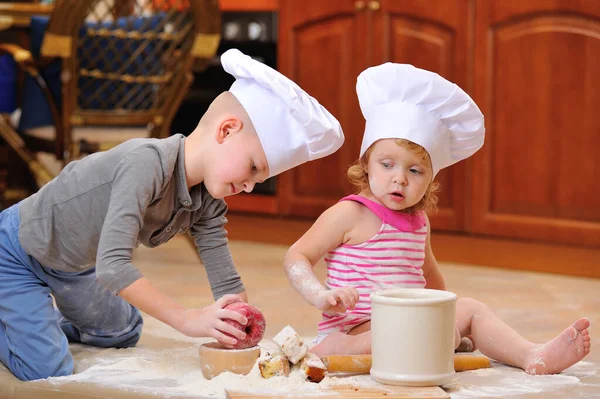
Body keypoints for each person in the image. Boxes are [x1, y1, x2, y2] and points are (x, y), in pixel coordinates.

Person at [0, 48, 345, 381]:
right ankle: (20, 316)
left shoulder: (207, 199)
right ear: (226, 130)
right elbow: (112, 266)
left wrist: (240, 325)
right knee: (46, 367)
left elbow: (226, 282)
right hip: (18, 251)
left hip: (71, 266)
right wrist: (185, 318)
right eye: (254, 167)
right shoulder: (146, 163)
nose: (250, 185)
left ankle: (34, 318)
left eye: (259, 178)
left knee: (124, 330)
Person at [283, 63, 591, 375]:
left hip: (409, 325)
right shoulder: (349, 214)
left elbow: (430, 277)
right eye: (387, 164)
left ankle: (531, 356)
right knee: (399, 334)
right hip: (356, 332)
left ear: (431, 179)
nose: (399, 179)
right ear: (366, 165)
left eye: (415, 170)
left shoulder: (419, 223)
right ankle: (341, 347)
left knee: (471, 309)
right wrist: (320, 295)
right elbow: (297, 256)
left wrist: (446, 316)